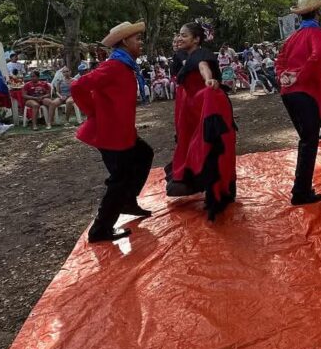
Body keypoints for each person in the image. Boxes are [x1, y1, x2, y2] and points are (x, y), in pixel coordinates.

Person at [70, 21, 154, 243]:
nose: (141, 43)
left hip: (122, 131)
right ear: (125, 42)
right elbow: (78, 87)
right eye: (137, 39)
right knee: (119, 179)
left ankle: (127, 200)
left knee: (144, 154)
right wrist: (93, 113)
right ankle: (100, 230)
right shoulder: (114, 66)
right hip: (109, 134)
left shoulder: (125, 64)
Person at [164, 22, 237, 220]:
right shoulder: (180, 56)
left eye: (184, 35)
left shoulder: (202, 54)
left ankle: (219, 190)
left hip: (207, 103)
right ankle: (199, 183)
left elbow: (203, 68)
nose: (179, 38)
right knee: (190, 144)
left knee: (211, 145)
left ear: (196, 39)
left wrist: (209, 80)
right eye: (178, 35)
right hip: (191, 108)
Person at [276, 0, 321, 205]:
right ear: (318, 13)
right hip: (304, 91)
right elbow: (318, 56)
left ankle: (301, 188)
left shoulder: (292, 37)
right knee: (309, 141)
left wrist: (284, 77)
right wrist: (301, 75)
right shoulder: (315, 33)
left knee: (305, 140)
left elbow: (279, 60)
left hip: (288, 92)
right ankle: (301, 191)